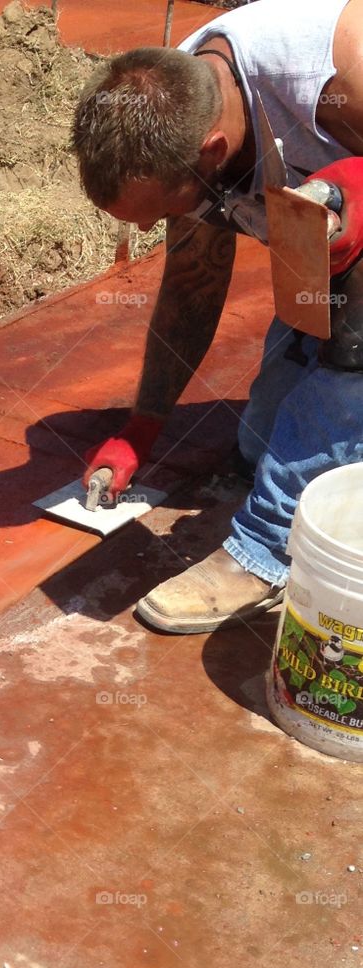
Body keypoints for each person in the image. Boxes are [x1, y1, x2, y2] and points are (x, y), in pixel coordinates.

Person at [71, 0, 363, 634]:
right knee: (261, 444)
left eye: (157, 211)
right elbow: (193, 284)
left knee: (353, 332)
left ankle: (265, 553)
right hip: (333, 247)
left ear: (215, 149)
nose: (149, 228)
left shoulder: (336, 71)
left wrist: (352, 197)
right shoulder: (184, 98)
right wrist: (143, 427)